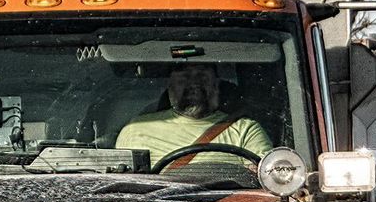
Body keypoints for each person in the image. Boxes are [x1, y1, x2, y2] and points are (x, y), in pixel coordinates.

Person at [115, 63, 271, 173]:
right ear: (170, 86)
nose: (194, 83)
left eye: (203, 75)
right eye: (185, 76)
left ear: (216, 85)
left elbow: (270, 182)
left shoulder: (246, 130)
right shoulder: (135, 129)